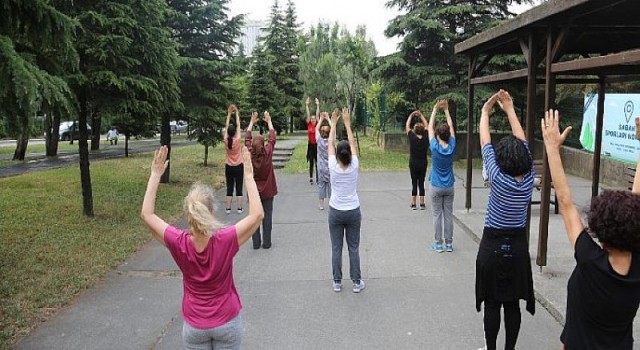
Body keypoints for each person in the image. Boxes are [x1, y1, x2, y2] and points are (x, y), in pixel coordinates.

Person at [140, 145, 264, 350]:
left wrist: (155, 175)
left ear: (188, 216)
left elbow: (147, 215)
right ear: (212, 213)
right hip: (227, 321)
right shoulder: (225, 239)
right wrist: (248, 175)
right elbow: (257, 214)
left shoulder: (178, 242)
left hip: (194, 326)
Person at [541, 111, 640, 350]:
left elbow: (564, 200)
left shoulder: (589, 259)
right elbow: (636, 203)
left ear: (600, 227)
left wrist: (552, 148)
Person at [476, 90, 535, 350]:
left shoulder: (497, 177)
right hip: (518, 246)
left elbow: (485, 141)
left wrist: (485, 112)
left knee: (492, 302)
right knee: (512, 303)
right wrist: (510, 109)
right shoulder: (530, 174)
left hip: (492, 245)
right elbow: (523, 142)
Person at [327, 107, 365, 293]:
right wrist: (348, 124)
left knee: (336, 248)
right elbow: (351, 142)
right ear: (349, 154)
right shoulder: (355, 165)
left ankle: (337, 281)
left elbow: (330, 145)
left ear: (338, 154)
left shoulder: (333, 165)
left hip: (335, 210)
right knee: (354, 248)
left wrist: (333, 124)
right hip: (353, 211)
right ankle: (357, 282)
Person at [426, 100, 457, 253]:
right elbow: (451, 127)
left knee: (437, 215)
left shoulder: (435, 147)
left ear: (438, 135)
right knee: (448, 215)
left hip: (436, 186)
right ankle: (449, 244)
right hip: (449, 186)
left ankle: (438, 244)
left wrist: (435, 109)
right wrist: (446, 111)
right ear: (448, 135)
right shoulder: (452, 146)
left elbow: (429, 127)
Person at [245, 111, 278, 250]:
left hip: (254, 192)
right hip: (268, 191)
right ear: (263, 144)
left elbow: (246, 139)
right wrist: (269, 120)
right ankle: (267, 242)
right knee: (267, 216)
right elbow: (272, 138)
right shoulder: (268, 153)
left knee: (254, 216)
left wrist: (252, 122)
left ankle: (256, 243)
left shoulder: (249, 153)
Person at [405, 110, 429, 210]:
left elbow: (407, 126)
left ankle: (414, 203)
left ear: (414, 130)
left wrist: (411, 115)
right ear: (423, 130)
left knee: (414, 182)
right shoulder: (426, 138)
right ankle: (422, 203)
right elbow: (427, 125)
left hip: (413, 163)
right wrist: (421, 115)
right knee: (421, 182)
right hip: (423, 162)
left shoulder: (412, 138)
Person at [224, 104, 244, 214]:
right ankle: (240, 208)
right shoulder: (238, 139)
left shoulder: (226, 140)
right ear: (235, 132)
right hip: (239, 166)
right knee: (239, 186)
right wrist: (236, 112)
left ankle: (228, 208)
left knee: (229, 186)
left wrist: (229, 113)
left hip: (229, 166)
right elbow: (238, 124)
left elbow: (227, 125)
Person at [316, 111, 332, 210]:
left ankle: (321, 204)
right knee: (331, 185)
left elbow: (316, 128)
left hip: (321, 167)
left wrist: (321, 119)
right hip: (330, 167)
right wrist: (328, 119)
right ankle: (331, 203)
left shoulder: (319, 140)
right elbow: (333, 129)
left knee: (321, 186)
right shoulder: (331, 141)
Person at [305, 97, 319, 184]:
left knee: (318, 162)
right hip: (310, 145)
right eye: (312, 119)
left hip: (317, 145)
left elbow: (317, 115)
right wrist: (307, 105)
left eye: (314, 119)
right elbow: (308, 114)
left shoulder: (317, 125)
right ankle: (311, 178)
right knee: (311, 162)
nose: (313, 120)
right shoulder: (309, 124)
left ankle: (318, 178)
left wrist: (318, 105)